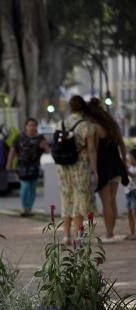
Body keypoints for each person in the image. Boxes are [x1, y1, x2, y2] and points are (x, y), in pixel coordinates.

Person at [87, 97, 129, 242]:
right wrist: (123, 162)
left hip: (103, 165)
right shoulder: (112, 124)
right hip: (116, 163)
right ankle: (111, 231)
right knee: (112, 200)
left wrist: (94, 169)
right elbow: (122, 145)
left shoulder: (94, 127)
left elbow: (93, 150)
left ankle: (109, 234)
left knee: (106, 201)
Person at [56, 95, 97, 245]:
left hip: (63, 167)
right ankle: (79, 235)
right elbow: (91, 150)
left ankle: (66, 236)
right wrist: (94, 169)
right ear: (83, 107)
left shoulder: (60, 123)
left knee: (66, 199)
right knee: (80, 199)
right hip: (81, 166)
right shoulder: (87, 126)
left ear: (70, 107)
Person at [7, 118, 49, 216]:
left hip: (34, 166)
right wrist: (9, 163)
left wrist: (45, 146)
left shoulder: (40, 138)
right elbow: (12, 150)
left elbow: (48, 151)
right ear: (26, 126)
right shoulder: (20, 137)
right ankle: (24, 206)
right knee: (24, 187)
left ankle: (29, 207)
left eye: (34, 125)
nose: (31, 127)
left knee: (32, 188)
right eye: (29, 125)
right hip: (22, 166)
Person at [126, 149, 136, 240]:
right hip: (128, 192)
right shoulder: (129, 167)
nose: (129, 159)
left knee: (134, 212)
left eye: (131, 158)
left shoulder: (132, 168)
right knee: (129, 212)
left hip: (134, 192)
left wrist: (126, 171)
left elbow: (133, 175)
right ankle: (132, 232)